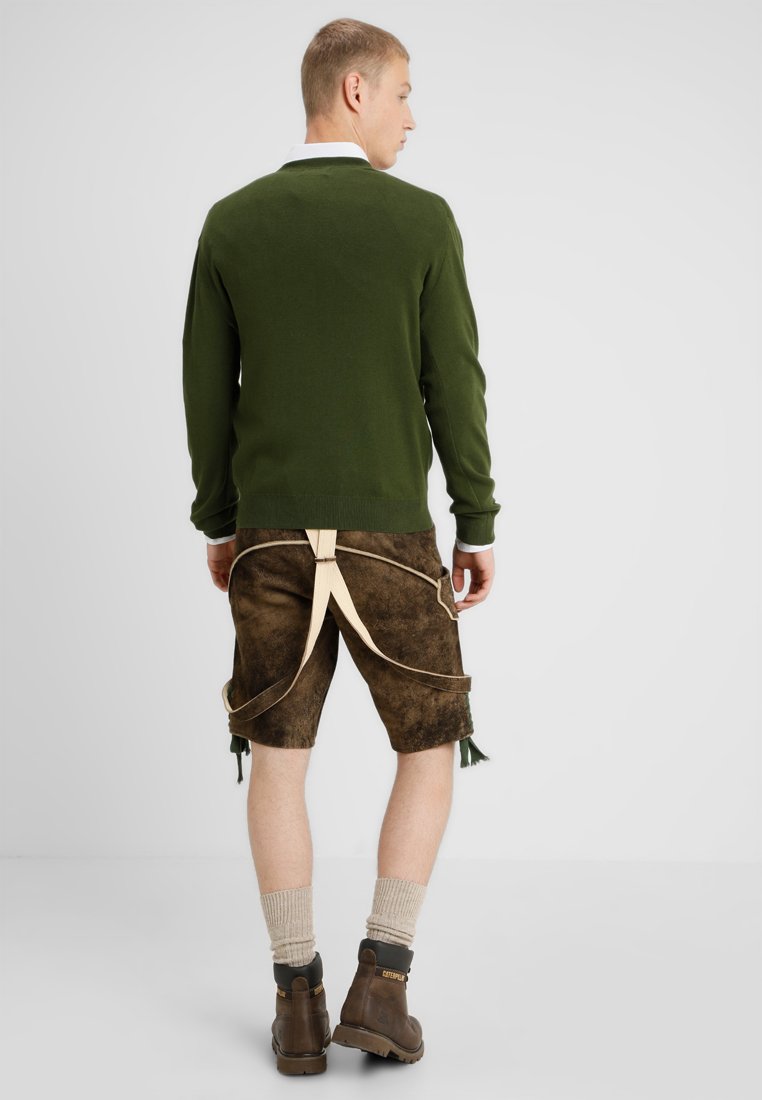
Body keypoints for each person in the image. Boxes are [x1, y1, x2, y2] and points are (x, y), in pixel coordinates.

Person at [182, 16, 500, 1075]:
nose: (413, 116)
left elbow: (205, 391)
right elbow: (454, 383)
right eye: (403, 93)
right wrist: (476, 519)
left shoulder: (233, 222)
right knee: (429, 744)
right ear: (354, 91)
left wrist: (222, 521)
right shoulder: (421, 221)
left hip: (268, 537)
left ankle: (296, 1002)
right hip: (390, 538)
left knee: (278, 762)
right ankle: (383, 981)